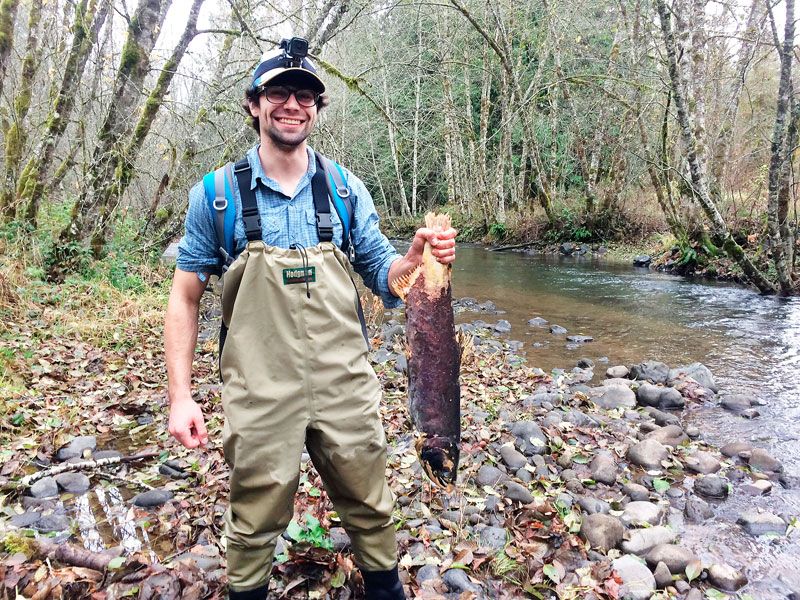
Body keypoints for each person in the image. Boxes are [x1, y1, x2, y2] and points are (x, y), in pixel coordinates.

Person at [164, 38, 456, 600]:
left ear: (317, 109)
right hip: (258, 384)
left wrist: (416, 263)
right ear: (255, 103)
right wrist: (180, 396)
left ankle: (385, 588)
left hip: (343, 378)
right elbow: (184, 298)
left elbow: (385, 277)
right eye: (279, 93)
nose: (292, 105)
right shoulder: (217, 196)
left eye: (305, 96)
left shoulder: (346, 189)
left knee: (370, 500)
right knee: (254, 511)